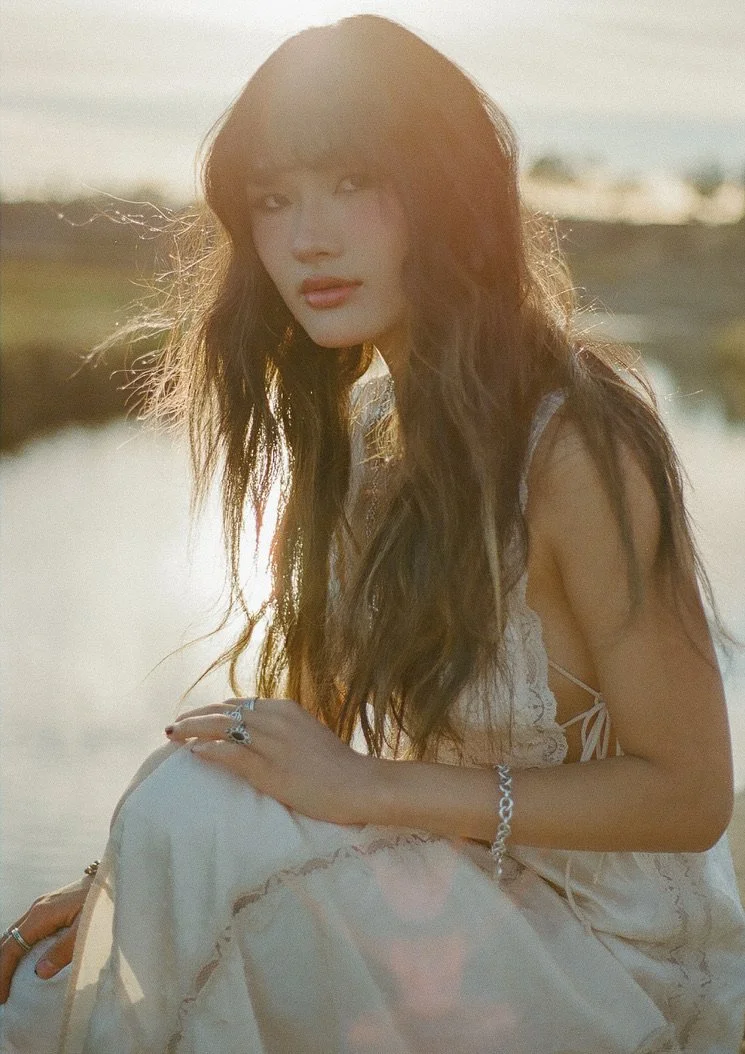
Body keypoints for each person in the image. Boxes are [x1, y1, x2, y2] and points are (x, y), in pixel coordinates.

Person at [2, 14, 744, 1053]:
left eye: (353, 183)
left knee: (179, 829)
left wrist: (372, 786)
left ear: (445, 196)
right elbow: (301, 736)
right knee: (86, 945)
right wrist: (122, 883)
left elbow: (692, 793)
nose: (307, 236)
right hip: (448, 908)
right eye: (273, 198)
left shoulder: (578, 448)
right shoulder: (367, 436)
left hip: (615, 961)